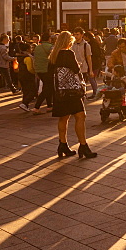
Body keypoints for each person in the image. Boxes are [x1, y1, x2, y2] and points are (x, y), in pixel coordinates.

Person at [49, 31, 96, 159]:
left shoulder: (53, 54)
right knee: (81, 116)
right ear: (68, 42)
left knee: (63, 118)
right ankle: (83, 145)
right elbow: (76, 70)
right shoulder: (68, 53)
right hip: (71, 91)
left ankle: (62, 144)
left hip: (59, 91)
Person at [70, 29, 95, 100]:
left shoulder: (86, 45)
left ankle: (82, 96)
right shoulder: (71, 44)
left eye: (77, 34)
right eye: (74, 34)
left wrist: (90, 70)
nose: (75, 36)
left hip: (83, 68)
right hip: (73, 68)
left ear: (82, 35)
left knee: (82, 84)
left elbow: (89, 58)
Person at [33, 33, 54, 113]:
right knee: (47, 88)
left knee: (47, 86)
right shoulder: (50, 47)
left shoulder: (37, 47)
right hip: (47, 70)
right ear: (49, 39)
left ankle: (49, 105)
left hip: (39, 70)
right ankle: (37, 107)